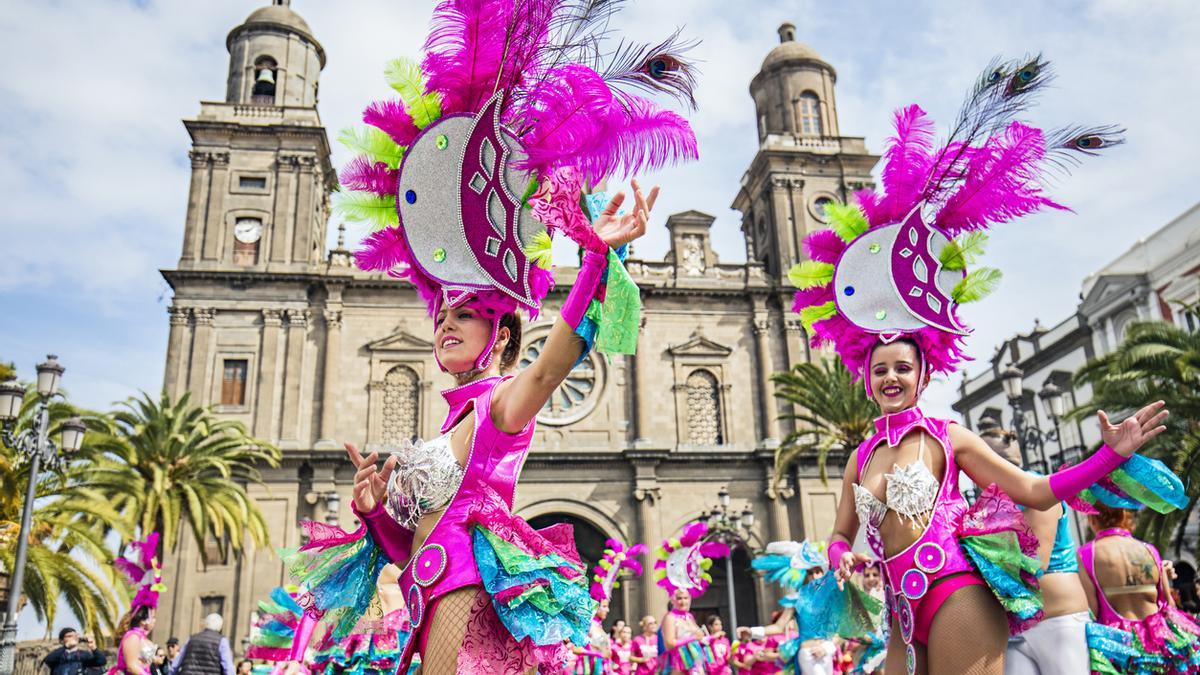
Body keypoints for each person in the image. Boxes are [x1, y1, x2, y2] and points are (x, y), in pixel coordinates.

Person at [308, 1, 698, 671]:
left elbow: (553, 367)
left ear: (500, 328)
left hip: (470, 617)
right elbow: (419, 547)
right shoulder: (450, 420)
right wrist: (375, 512)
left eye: (464, 312)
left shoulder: (500, 409)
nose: (446, 322)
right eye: (441, 314)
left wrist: (598, 259)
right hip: (430, 607)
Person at [784, 54, 1162, 674]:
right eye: (880, 369)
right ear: (866, 374)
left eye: (902, 368)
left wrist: (1111, 455)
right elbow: (841, 531)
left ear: (923, 374)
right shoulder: (860, 456)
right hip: (899, 611)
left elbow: (1037, 491)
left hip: (955, 592)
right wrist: (836, 556)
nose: (890, 378)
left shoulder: (947, 436)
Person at [981, 428, 1092, 674]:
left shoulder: (1037, 487)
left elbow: (1036, 562)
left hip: (1058, 621)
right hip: (1014, 629)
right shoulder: (990, 502)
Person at [1078, 502, 1200, 668]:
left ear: (1092, 518)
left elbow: (1091, 610)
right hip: (1160, 645)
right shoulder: (1148, 549)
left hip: (1122, 650)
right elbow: (1168, 605)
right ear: (1124, 516)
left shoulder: (1086, 554)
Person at [110, 534, 165, 675]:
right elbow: (132, 666)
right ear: (143, 619)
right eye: (152, 617)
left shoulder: (143, 638)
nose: (154, 620)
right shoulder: (132, 637)